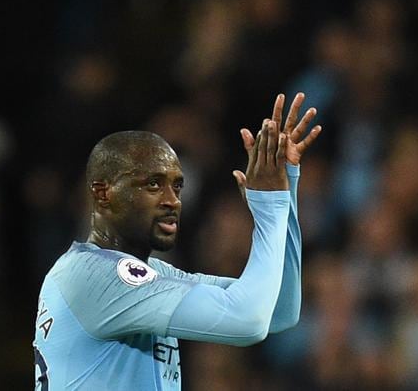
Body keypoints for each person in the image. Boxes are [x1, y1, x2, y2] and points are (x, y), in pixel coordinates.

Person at [33, 93, 320, 390]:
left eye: (177, 186)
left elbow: (278, 311)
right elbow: (249, 320)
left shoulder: (148, 274)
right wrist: (270, 208)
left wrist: (283, 193)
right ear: (103, 193)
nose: (172, 201)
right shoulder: (93, 276)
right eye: (153, 184)